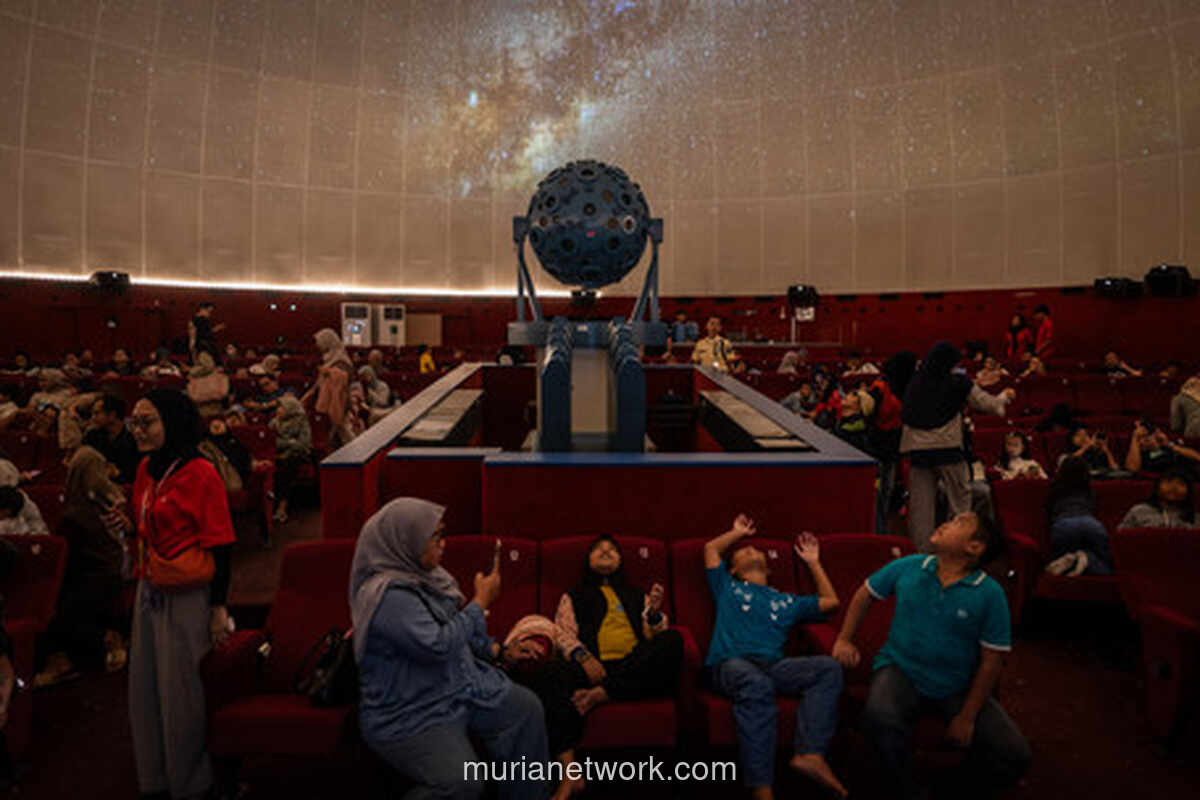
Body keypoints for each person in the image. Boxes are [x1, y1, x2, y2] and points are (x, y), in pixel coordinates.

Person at [351, 497, 550, 800]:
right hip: (413, 710)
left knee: (526, 709)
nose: (443, 544)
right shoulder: (387, 595)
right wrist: (480, 602)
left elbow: (465, 636)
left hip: (460, 687)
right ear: (406, 541)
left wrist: (499, 651)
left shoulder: (433, 577)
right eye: (434, 537)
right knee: (461, 782)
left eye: (443, 534)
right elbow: (439, 645)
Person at [833, 511, 1029, 800]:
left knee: (1015, 754)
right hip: (900, 670)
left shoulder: (990, 594)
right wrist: (844, 639)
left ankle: (948, 788)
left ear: (974, 547)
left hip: (956, 685)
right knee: (878, 717)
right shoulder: (911, 565)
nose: (947, 521)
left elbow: (991, 663)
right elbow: (865, 594)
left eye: (960, 523)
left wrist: (967, 717)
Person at [110, 389, 236, 800]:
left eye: (148, 422)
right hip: (150, 589)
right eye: (135, 423)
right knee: (145, 687)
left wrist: (218, 607)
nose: (139, 431)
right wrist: (129, 520)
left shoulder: (201, 472)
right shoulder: (147, 468)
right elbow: (151, 521)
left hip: (188, 593)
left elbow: (221, 543)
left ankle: (191, 783)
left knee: (182, 690)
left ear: (173, 422)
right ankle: (156, 778)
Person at [704, 514, 846, 799]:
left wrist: (813, 562)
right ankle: (762, 787)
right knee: (756, 684)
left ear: (769, 569)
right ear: (733, 570)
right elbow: (710, 550)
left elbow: (831, 601)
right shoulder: (727, 587)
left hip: (774, 666)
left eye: (755, 549)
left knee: (828, 668)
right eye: (743, 551)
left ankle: (810, 754)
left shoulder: (786, 600)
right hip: (730, 664)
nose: (750, 549)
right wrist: (736, 532)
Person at [901, 342, 1014, 552]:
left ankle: (921, 554)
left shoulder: (916, 382)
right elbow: (987, 404)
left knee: (921, 509)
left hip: (917, 451)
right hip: (948, 450)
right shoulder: (958, 382)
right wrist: (1004, 398)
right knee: (959, 504)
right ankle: (956, 550)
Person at [553, 536, 683, 717]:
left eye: (612, 549)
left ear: (620, 560)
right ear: (588, 559)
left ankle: (603, 693)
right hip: (593, 666)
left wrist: (653, 615)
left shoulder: (637, 595)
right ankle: (620, 688)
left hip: (634, 663)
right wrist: (583, 657)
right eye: (598, 549)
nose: (605, 551)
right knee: (552, 672)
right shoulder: (574, 596)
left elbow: (656, 635)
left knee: (673, 640)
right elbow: (562, 633)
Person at [37, 447, 128, 687]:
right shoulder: (105, 499)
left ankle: (91, 646)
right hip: (106, 571)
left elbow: (67, 558)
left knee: (51, 607)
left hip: (97, 575)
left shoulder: (76, 512)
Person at [870, 352, 916, 534]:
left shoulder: (908, 387)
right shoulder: (880, 387)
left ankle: (881, 530)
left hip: (893, 449)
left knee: (886, 493)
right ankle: (877, 532)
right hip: (877, 448)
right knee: (878, 494)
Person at [1043, 457, 1111, 576]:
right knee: (1108, 565)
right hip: (1090, 523)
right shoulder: (1089, 489)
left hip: (1064, 523)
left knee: (1059, 568)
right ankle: (1086, 559)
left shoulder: (1054, 488)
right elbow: (1093, 507)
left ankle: (1072, 561)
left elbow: (1049, 509)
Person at [301, 329, 355, 450]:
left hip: (340, 403)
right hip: (327, 401)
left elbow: (344, 379)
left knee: (342, 438)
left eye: (320, 342)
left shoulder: (341, 360)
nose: (318, 346)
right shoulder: (328, 359)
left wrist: (330, 373)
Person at [270, 395, 311, 525]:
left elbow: (303, 444)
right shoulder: (274, 422)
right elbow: (271, 442)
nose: (278, 410)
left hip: (297, 455)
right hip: (277, 455)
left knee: (287, 466)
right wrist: (289, 442)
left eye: (281, 408)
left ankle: (282, 507)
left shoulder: (301, 421)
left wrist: (285, 445)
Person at [82, 393, 141, 484]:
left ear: (112, 415)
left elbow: (136, 474)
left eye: (97, 413)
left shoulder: (134, 439)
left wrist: (117, 473)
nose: (92, 418)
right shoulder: (91, 436)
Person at [1118, 469, 1198, 529]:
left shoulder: (1194, 518)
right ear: (1157, 487)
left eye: (1181, 484)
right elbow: (1121, 539)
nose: (1174, 487)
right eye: (1168, 481)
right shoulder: (1139, 511)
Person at [1125, 420, 1200, 479]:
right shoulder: (1140, 456)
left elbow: (1197, 457)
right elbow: (1132, 469)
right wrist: (1135, 437)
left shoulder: (1172, 446)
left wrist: (1169, 445)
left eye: (1148, 435)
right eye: (1141, 437)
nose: (1147, 439)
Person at [199, 416, 252, 491]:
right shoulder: (206, 445)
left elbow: (245, 456)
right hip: (220, 479)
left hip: (238, 475)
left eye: (219, 424)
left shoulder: (234, 440)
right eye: (214, 426)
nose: (217, 427)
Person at [186, 352, 230, 418]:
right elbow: (193, 397)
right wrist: (211, 394)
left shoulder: (221, 376)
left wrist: (203, 396)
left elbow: (222, 393)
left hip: (217, 410)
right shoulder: (192, 378)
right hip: (199, 411)